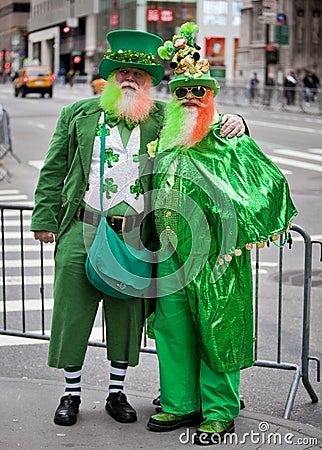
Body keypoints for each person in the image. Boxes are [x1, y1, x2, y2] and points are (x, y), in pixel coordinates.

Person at [30, 27, 246, 428]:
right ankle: (71, 393)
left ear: (150, 82)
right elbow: (54, 169)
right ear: (110, 77)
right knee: (73, 311)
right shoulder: (78, 114)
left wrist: (236, 120)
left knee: (127, 313)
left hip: (135, 234)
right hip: (83, 225)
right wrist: (44, 219)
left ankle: (117, 392)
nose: (130, 78)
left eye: (140, 74)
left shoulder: (163, 116)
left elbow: (201, 118)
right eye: (122, 72)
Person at [146, 23, 297, 445]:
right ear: (172, 98)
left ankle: (218, 411)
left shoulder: (229, 137)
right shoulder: (165, 140)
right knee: (172, 328)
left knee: (218, 327)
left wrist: (238, 235)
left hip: (217, 258)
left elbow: (271, 185)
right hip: (171, 253)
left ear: (212, 95)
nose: (191, 97)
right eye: (182, 91)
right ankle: (180, 403)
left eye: (200, 91)